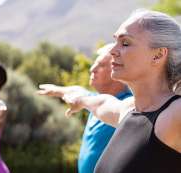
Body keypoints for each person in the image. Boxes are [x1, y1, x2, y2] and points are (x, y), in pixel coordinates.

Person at [63, 9, 181, 173]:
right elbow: (100, 103)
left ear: (158, 55)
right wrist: (79, 99)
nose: (112, 51)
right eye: (115, 42)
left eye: (125, 43)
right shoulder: (127, 111)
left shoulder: (175, 115)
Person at [38, 44, 131, 173]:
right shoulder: (93, 101)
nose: (92, 69)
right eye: (94, 64)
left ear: (119, 70)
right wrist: (57, 90)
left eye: (102, 65)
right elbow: (77, 90)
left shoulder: (129, 105)